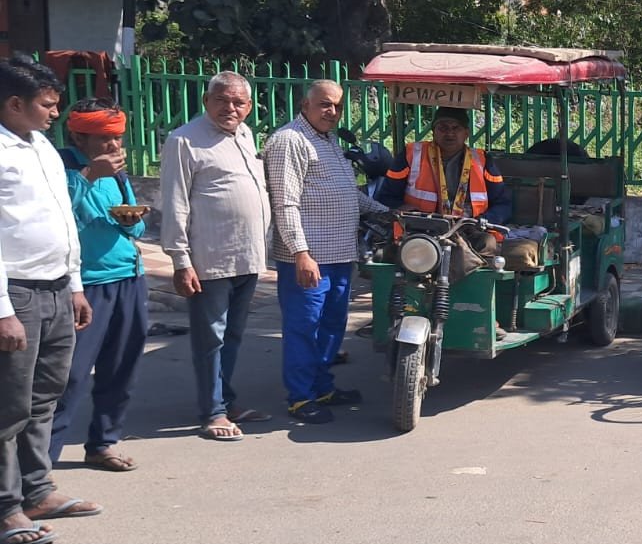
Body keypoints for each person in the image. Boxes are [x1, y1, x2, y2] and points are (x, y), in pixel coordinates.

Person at [0, 57, 99, 544]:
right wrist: (2, 310)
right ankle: (6, 507)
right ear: (14, 104)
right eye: (47, 105)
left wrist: (75, 285)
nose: (55, 113)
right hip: (15, 293)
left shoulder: (41, 147)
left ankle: (37, 490)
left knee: (44, 397)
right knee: (8, 404)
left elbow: (63, 220)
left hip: (57, 287)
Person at [264, 81, 390, 425]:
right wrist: (300, 252)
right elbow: (285, 203)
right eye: (324, 104)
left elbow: (349, 194)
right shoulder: (290, 140)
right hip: (309, 257)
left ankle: (322, 388)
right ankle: (301, 398)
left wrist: (387, 213)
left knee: (331, 326)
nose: (331, 111)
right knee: (304, 327)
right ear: (305, 104)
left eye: (337, 106)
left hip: (339, 254)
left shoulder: (329, 140)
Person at [160, 71, 273, 442]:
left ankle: (226, 400)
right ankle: (213, 412)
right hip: (210, 258)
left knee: (233, 334)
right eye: (222, 100)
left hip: (247, 255)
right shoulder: (184, 140)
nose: (230, 108)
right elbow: (175, 203)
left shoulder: (245, 135)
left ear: (249, 107)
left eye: (238, 102)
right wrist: (180, 260)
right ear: (206, 101)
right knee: (211, 337)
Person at [48, 99, 149, 472]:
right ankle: (40, 462)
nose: (114, 145)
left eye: (118, 137)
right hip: (85, 284)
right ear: (79, 136)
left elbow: (137, 225)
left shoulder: (117, 173)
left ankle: (104, 441)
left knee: (121, 367)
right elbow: (57, 215)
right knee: (70, 375)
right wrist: (90, 174)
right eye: (105, 138)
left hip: (129, 277)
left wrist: (132, 220)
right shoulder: (60, 166)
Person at [376, 106, 512, 222]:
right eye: (443, 128)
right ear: (433, 132)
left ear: (467, 133)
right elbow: (386, 197)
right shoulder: (411, 154)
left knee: (487, 243)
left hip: (470, 227)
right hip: (420, 227)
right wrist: (402, 208)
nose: (450, 133)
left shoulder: (483, 160)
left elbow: (503, 204)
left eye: (456, 128)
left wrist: (484, 220)